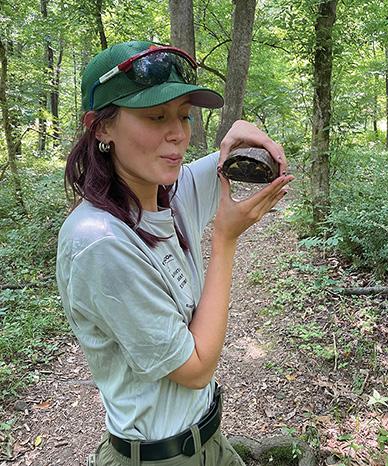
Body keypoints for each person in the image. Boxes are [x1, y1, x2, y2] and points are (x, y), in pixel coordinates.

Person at [56, 39, 293, 466]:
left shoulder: (166, 192)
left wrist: (240, 132)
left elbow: (241, 157)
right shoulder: (99, 241)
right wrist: (224, 240)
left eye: (183, 115)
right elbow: (196, 368)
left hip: (209, 441)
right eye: (155, 116)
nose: (178, 133)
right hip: (157, 457)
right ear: (101, 127)